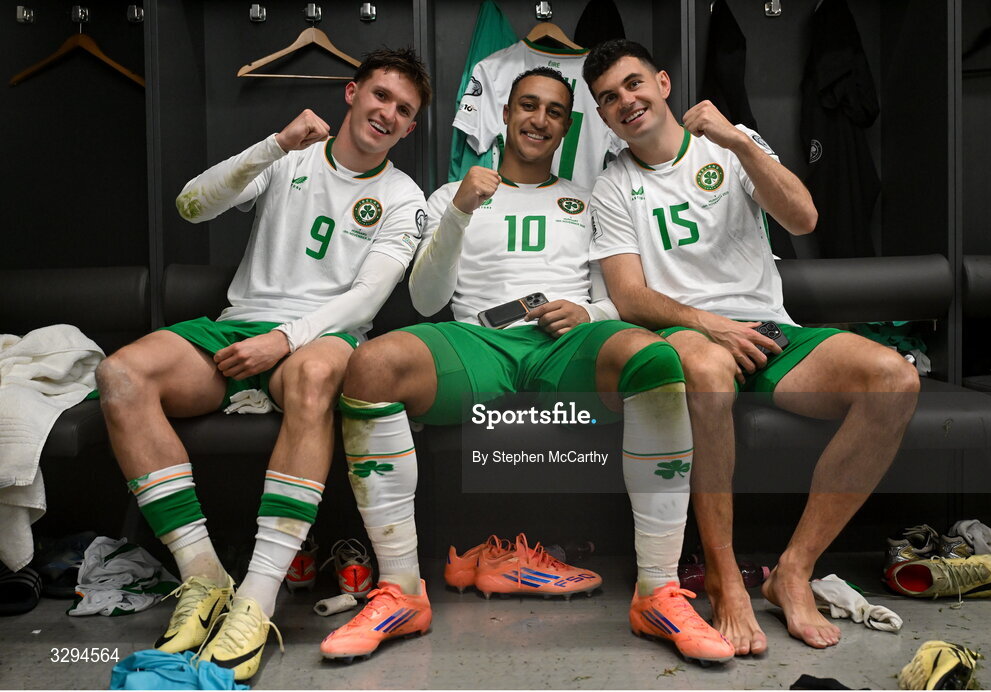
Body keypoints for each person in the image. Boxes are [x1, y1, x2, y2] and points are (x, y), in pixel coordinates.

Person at [318, 67, 735, 666]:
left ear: (568, 126)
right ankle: (402, 591)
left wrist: (587, 312)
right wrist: (460, 209)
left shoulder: (588, 198)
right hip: (478, 340)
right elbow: (430, 300)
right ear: (505, 114)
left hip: (565, 345)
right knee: (374, 363)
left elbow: (615, 293)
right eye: (528, 106)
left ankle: (658, 591)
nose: (539, 120)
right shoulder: (447, 196)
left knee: (656, 360)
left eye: (555, 111)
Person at [94, 48, 431, 680]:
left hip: (324, 336)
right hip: (238, 324)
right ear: (352, 93)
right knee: (119, 375)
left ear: (411, 130)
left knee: (313, 372)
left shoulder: (404, 198)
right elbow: (192, 206)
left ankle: (257, 594)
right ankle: (202, 575)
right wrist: (273, 144)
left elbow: (366, 299)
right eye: (381, 96)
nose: (388, 113)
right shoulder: (292, 157)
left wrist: (286, 337)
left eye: (404, 110)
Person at [582, 39, 920, 653]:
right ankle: (723, 578)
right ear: (602, 116)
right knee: (708, 373)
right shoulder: (612, 186)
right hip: (687, 333)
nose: (625, 101)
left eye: (633, 84)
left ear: (662, 83)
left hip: (769, 328)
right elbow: (629, 296)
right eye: (608, 98)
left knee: (894, 378)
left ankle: (793, 571)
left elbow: (803, 218)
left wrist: (738, 140)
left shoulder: (729, 143)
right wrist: (709, 325)